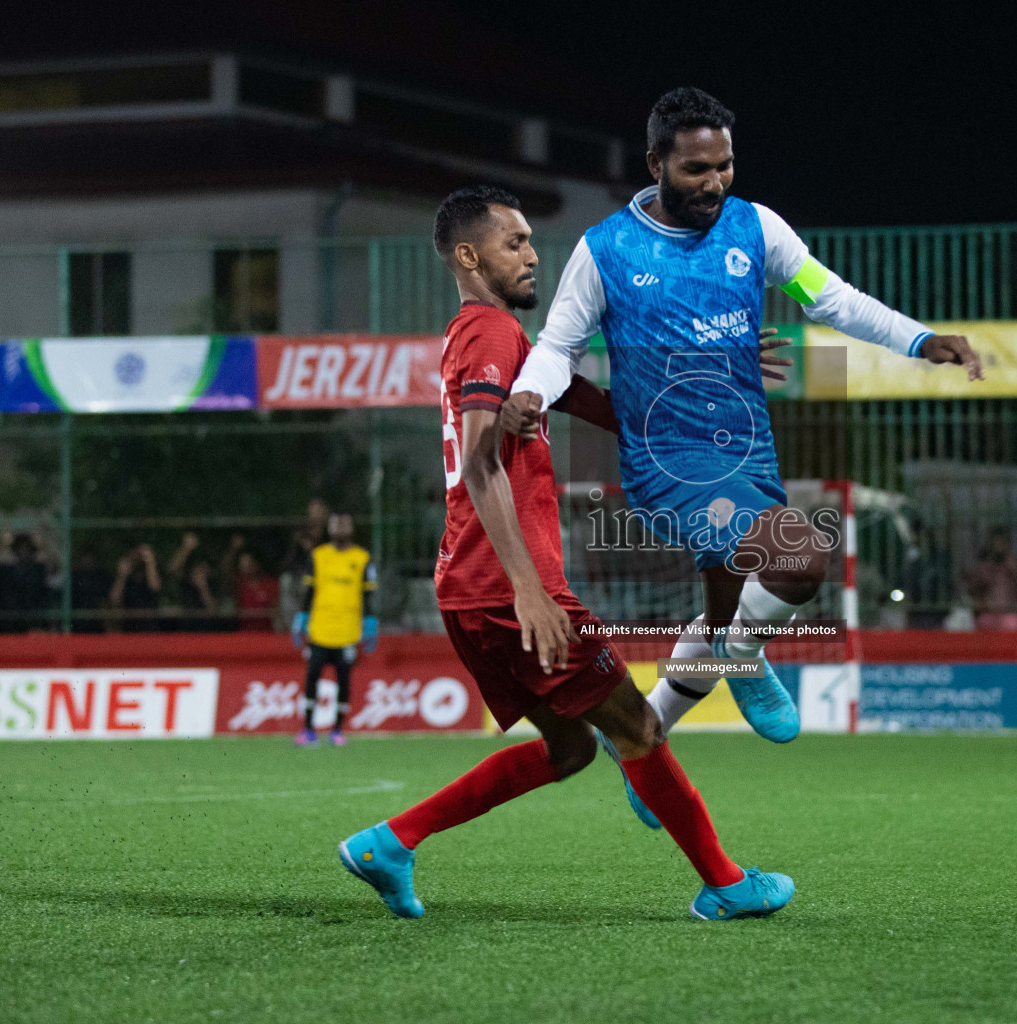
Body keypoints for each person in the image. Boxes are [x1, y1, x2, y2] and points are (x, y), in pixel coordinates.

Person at [337, 186, 793, 923]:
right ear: (467, 255)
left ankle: (391, 842)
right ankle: (728, 884)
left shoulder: (499, 340)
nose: (530, 253)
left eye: (529, 240)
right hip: (504, 586)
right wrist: (529, 589)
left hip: (470, 587)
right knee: (637, 730)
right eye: (512, 241)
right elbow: (484, 464)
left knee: (572, 749)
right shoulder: (488, 335)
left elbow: (602, 404)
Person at [503, 87, 982, 765]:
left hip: (748, 451)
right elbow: (558, 346)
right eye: (696, 169)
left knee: (734, 603)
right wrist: (528, 393)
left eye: (724, 165)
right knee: (799, 557)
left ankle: (649, 741)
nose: (715, 182)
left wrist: (920, 339)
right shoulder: (606, 249)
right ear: (655, 163)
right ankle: (745, 659)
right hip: (667, 462)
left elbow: (832, 298)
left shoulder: (755, 227)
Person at [291, 513, 377, 746]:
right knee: (312, 678)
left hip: (348, 632)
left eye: (345, 523)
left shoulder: (362, 558)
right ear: (329, 528)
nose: (340, 527)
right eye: (336, 523)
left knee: (344, 680)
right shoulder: (318, 556)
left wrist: (370, 622)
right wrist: (302, 618)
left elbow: (368, 595)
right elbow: (308, 593)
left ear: (352, 527)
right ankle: (308, 730)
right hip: (319, 630)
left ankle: (338, 730)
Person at [968, 526, 1017, 631]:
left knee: (1011, 624)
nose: (999, 546)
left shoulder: (1013, 562)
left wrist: (1007, 563)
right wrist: (991, 563)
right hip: (988, 613)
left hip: (1009, 613)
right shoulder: (984, 564)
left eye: (1002, 542)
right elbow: (976, 586)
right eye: (996, 542)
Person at [108, 543, 161, 632]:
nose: (137, 557)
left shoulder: (149, 573)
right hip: (129, 625)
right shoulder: (125, 577)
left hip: (150, 625)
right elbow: (114, 599)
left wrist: (150, 563)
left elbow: (155, 587)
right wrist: (121, 576)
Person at [234, 551, 280, 632]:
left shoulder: (270, 584)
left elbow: (277, 609)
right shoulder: (237, 586)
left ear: (257, 564)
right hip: (245, 634)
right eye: (243, 563)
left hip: (267, 633)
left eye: (248, 562)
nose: (246, 566)